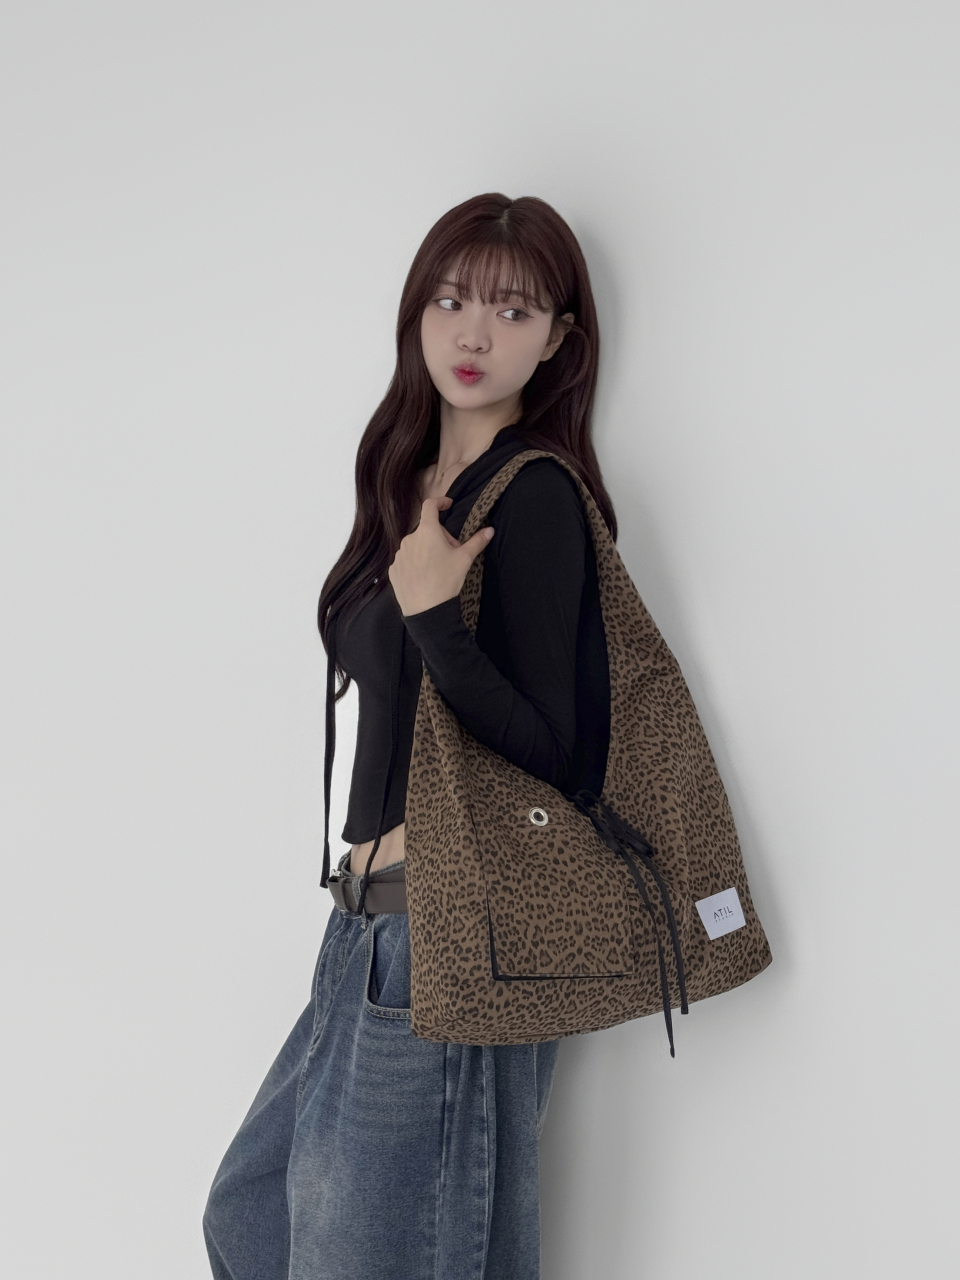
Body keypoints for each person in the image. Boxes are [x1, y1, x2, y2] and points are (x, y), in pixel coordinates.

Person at [202, 192, 616, 1280]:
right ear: (416, 310)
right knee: (248, 1216)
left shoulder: (534, 498)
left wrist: (434, 614)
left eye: (513, 311)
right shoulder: (407, 481)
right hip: (363, 931)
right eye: (451, 300)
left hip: (447, 933)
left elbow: (557, 757)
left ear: (557, 340)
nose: (475, 334)